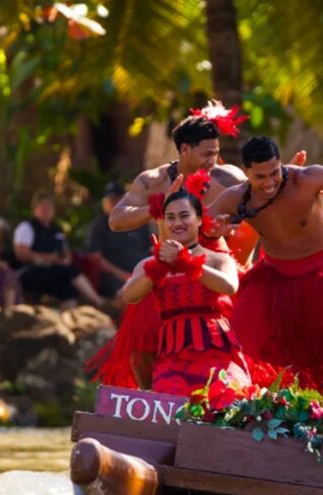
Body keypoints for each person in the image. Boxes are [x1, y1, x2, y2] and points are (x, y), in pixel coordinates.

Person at [206, 135, 323, 400]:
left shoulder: (307, 179)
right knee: (235, 337)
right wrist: (214, 230)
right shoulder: (236, 199)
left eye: (275, 173)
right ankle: (227, 406)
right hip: (273, 279)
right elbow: (199, 224)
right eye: (261, 177)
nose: (270, 182)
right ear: (247, 173)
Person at [92, 106, 250, 389]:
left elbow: (257, 210)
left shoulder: (227, 178)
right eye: (207, 154)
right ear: (185, 150)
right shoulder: (154, 180)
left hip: (212, 264)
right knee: (142, 347)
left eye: (216, 152)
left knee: (233, 341)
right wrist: (156, 206)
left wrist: (235, 237)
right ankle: (156, 407)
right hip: (165, 269)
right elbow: (117, 219)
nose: (214, 160)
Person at [121, 187, 249, 395]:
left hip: (218, 351)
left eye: (184, 215)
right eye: (170, 217)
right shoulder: (149, 263)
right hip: (172, 355)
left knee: (227, 402)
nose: (177, 223)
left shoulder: (218, 258)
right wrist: (157, 268)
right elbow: (130, 295)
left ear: (199, 219)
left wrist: (188, 262)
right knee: (172, 408)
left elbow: (229, 286)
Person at [13, 193, 104, 310]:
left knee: (69, 289)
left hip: (54, 272)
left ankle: (67, 320)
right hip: (31, 271)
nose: (46, 210)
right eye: (43, 207)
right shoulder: (27, 227)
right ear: (35, 209)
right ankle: (97, 300)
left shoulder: (57, 231)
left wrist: (63, 260)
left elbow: (67, 256)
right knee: (70, 271)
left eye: (49, 207)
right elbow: (21, 253)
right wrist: (49, 258)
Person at [88, 182, 152, 300]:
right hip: (114, 277)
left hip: (142, 273)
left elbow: (150, 248)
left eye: (119, 198)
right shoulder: (98, 227)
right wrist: (123, 276)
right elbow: (96, 258)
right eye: (111, 200)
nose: (115, 203)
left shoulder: (138, 221)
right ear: (104, 203)